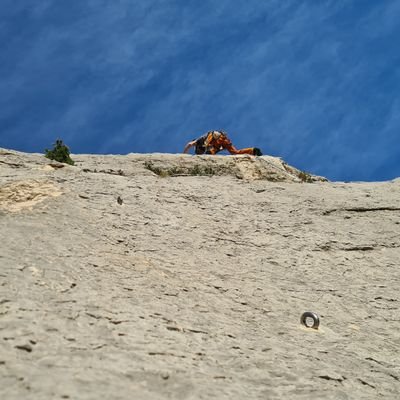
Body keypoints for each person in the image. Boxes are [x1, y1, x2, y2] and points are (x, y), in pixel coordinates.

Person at [183, 131, 262, 156]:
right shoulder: (207, 149)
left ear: (197, 147)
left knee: (206, 144)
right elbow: (217, 149)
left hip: (215, 136)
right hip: (223, 140)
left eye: (199, 152)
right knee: (235, 153)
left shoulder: (198, 141)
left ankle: (219, 140)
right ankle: (253, 150)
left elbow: (190, 144)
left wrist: (184, 154)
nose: (200, 152)